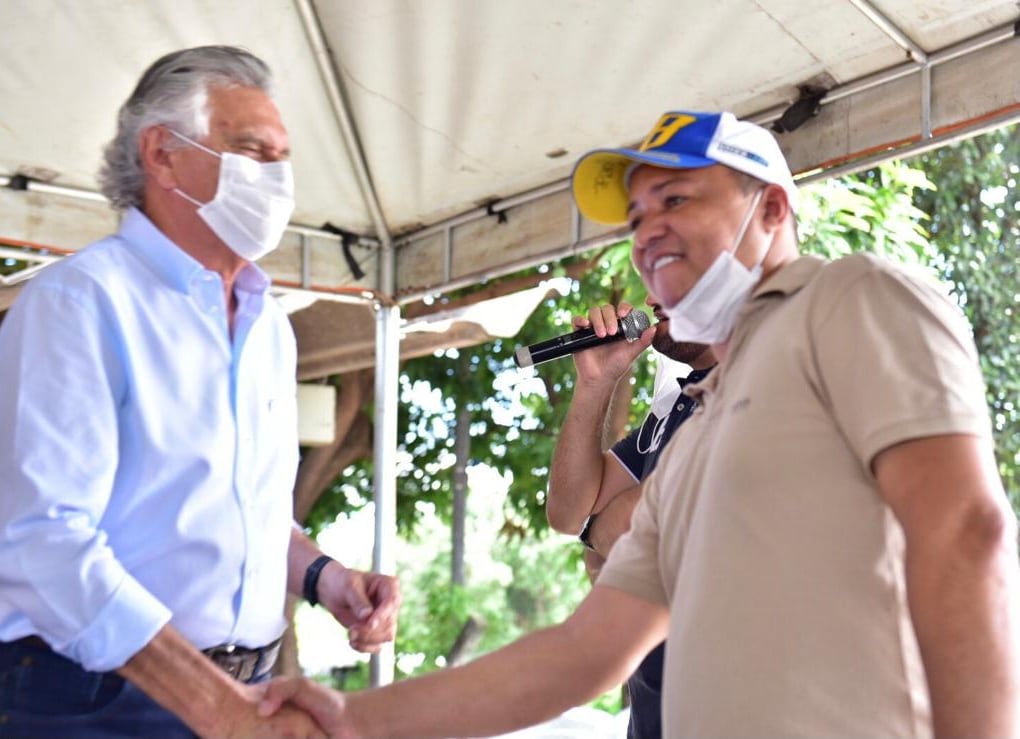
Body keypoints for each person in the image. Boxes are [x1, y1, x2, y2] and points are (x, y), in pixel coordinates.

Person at [259, 109, 1019, 737]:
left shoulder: (850, 297)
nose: (647, 229)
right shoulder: (693, 432)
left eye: (677, 199)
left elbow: (964, 533)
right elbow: (582, 653)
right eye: (637, 214)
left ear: (774, 206)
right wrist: (350, 718)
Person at [0, 46, 400, 738]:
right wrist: (213, 704)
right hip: (95, 702)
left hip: (247, 690)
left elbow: (243, 513)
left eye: (282, 158)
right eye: (251, 151)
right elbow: (43, 542)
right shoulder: (80, 303)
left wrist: (327, 578)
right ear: (161, 153)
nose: (276, 179)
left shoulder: (268, 323)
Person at [546, 296, 714, 739]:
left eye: (672, 264)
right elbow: (566, 511)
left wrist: (596, 529)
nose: (652, 294)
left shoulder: (758, 386)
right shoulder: (680, 402)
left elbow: (622, 526)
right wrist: (596, 383)